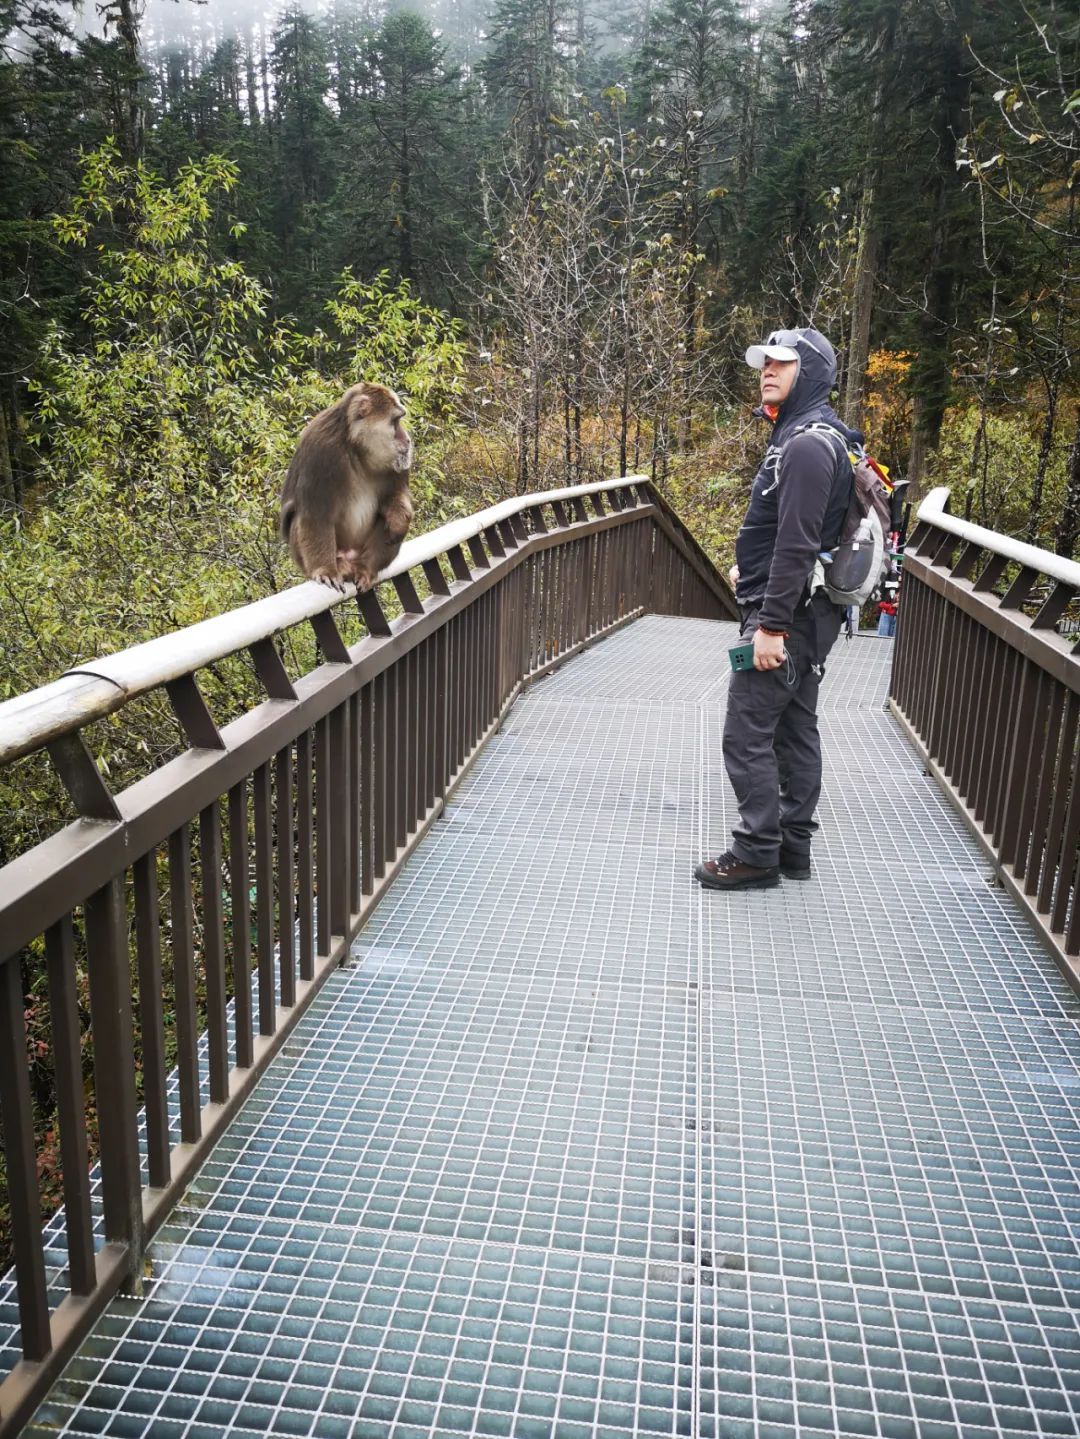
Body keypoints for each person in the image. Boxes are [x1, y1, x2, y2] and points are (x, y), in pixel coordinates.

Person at [695, 326, 860, 891]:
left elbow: (796, 543)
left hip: (791, 613)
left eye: (782, 363)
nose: (768, 369)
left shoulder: (809, 444)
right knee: (793, 726)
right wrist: (754, 566)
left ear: (809, 372)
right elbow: (796, 533)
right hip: (806, 608)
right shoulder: (813, 435)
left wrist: (770, 627)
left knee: (745, 731)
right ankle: (792, 849)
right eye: (765, 362)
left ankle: (756, 853)